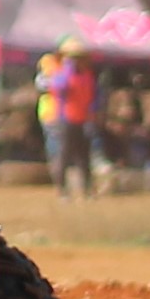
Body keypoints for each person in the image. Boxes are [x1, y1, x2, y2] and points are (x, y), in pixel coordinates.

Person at [43, 36, 96, 198]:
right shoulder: (61, 74)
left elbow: (91, 96)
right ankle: (63, 190)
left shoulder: (87, 76)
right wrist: (68, 69)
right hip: (65, 119)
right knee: (64, 156)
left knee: (84, 157)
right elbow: (59, 88)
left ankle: (87, 189)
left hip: (82, 120)